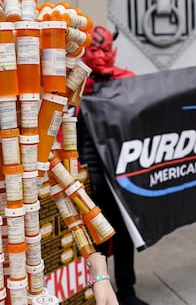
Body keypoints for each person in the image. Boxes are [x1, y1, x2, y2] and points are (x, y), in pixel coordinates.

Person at [77, 25, 147, 305]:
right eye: (95, 49)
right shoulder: (75, 83)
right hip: (87, 179)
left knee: (125, 234)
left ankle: (127, 291)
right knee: (95, 241)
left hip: (120, 177)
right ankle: (99, 294)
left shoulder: (125, 81)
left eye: (106, 49)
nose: (102, 55)